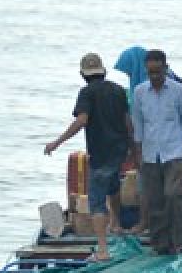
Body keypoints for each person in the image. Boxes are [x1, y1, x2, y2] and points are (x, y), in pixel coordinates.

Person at [43, 53, 133, 260]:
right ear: (103, 71)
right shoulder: (118, 90)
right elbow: (128, 121)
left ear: (83, 75)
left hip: (100, 152)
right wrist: (133, 148)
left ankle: (102, 249)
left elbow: (82, 120)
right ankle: (117, 225)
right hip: (119, 149)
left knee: (97, 201)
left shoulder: (86, 93)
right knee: (113, 186)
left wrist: (57, 142)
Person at [132, 49, 182, 255]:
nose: (154, 77)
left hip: (175, 151)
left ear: (165, 69)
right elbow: (138, 125)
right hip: (150, 153)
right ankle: (159, 243)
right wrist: (137, 153)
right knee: (155, 199)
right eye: (150, 73)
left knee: (173, 195)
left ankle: (178, 242)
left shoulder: (179, 91)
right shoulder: (140, 92)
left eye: (158, 72)